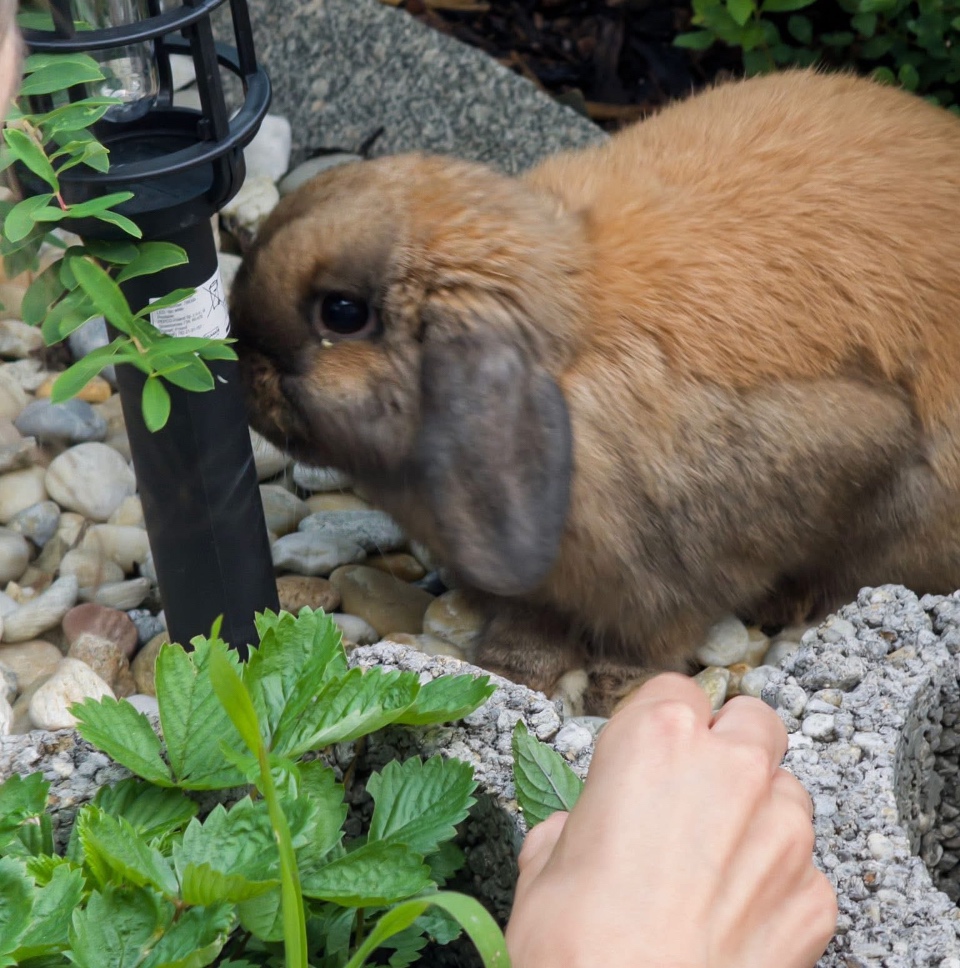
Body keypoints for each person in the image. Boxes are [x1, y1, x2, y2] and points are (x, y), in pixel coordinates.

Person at [0, 3, 836, 964]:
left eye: (341, 315)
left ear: (474, 357)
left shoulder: (646, 429)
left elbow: (837, 444)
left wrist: (643, 629)